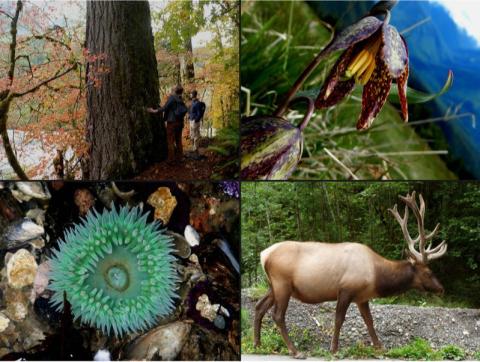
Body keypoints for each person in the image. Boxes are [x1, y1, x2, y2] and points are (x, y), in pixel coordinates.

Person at [147, 85, 188, 163]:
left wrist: (154, 111)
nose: (171, 89)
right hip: (180, 123)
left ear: (175, 90)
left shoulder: (172, 98)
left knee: (170, 141)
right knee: (178, 140)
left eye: (173, 88)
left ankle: (171, 159)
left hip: (172, 123)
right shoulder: (180, 99)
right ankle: (180, 157)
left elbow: (164, 108)